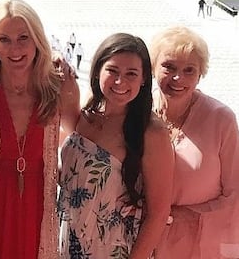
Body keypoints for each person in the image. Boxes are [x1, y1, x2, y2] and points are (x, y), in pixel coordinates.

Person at [0, 0, 80, 258]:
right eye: (4, 39)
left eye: (23, 38)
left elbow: (79, 140)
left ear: (37, 39)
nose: (15, 49)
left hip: (36, 201)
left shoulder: (59, 84)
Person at [58, 33, 174, 258]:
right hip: (67, 243)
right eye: (112, 71)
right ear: (98, 70)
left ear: (143, 79)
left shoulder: (151, 132)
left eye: (131, 74)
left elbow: (158, 213)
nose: (120, 82)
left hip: (114, 250)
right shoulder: (86, 117)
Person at [149, 26, 239, 259]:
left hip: (198, 245)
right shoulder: (138, 113)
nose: (178, 78)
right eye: (168, 67)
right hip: (141, 240)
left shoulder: (221, 119)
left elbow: (234, 194)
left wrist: (181, 215)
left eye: (189, 70)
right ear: (153, 67)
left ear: (200, 74)